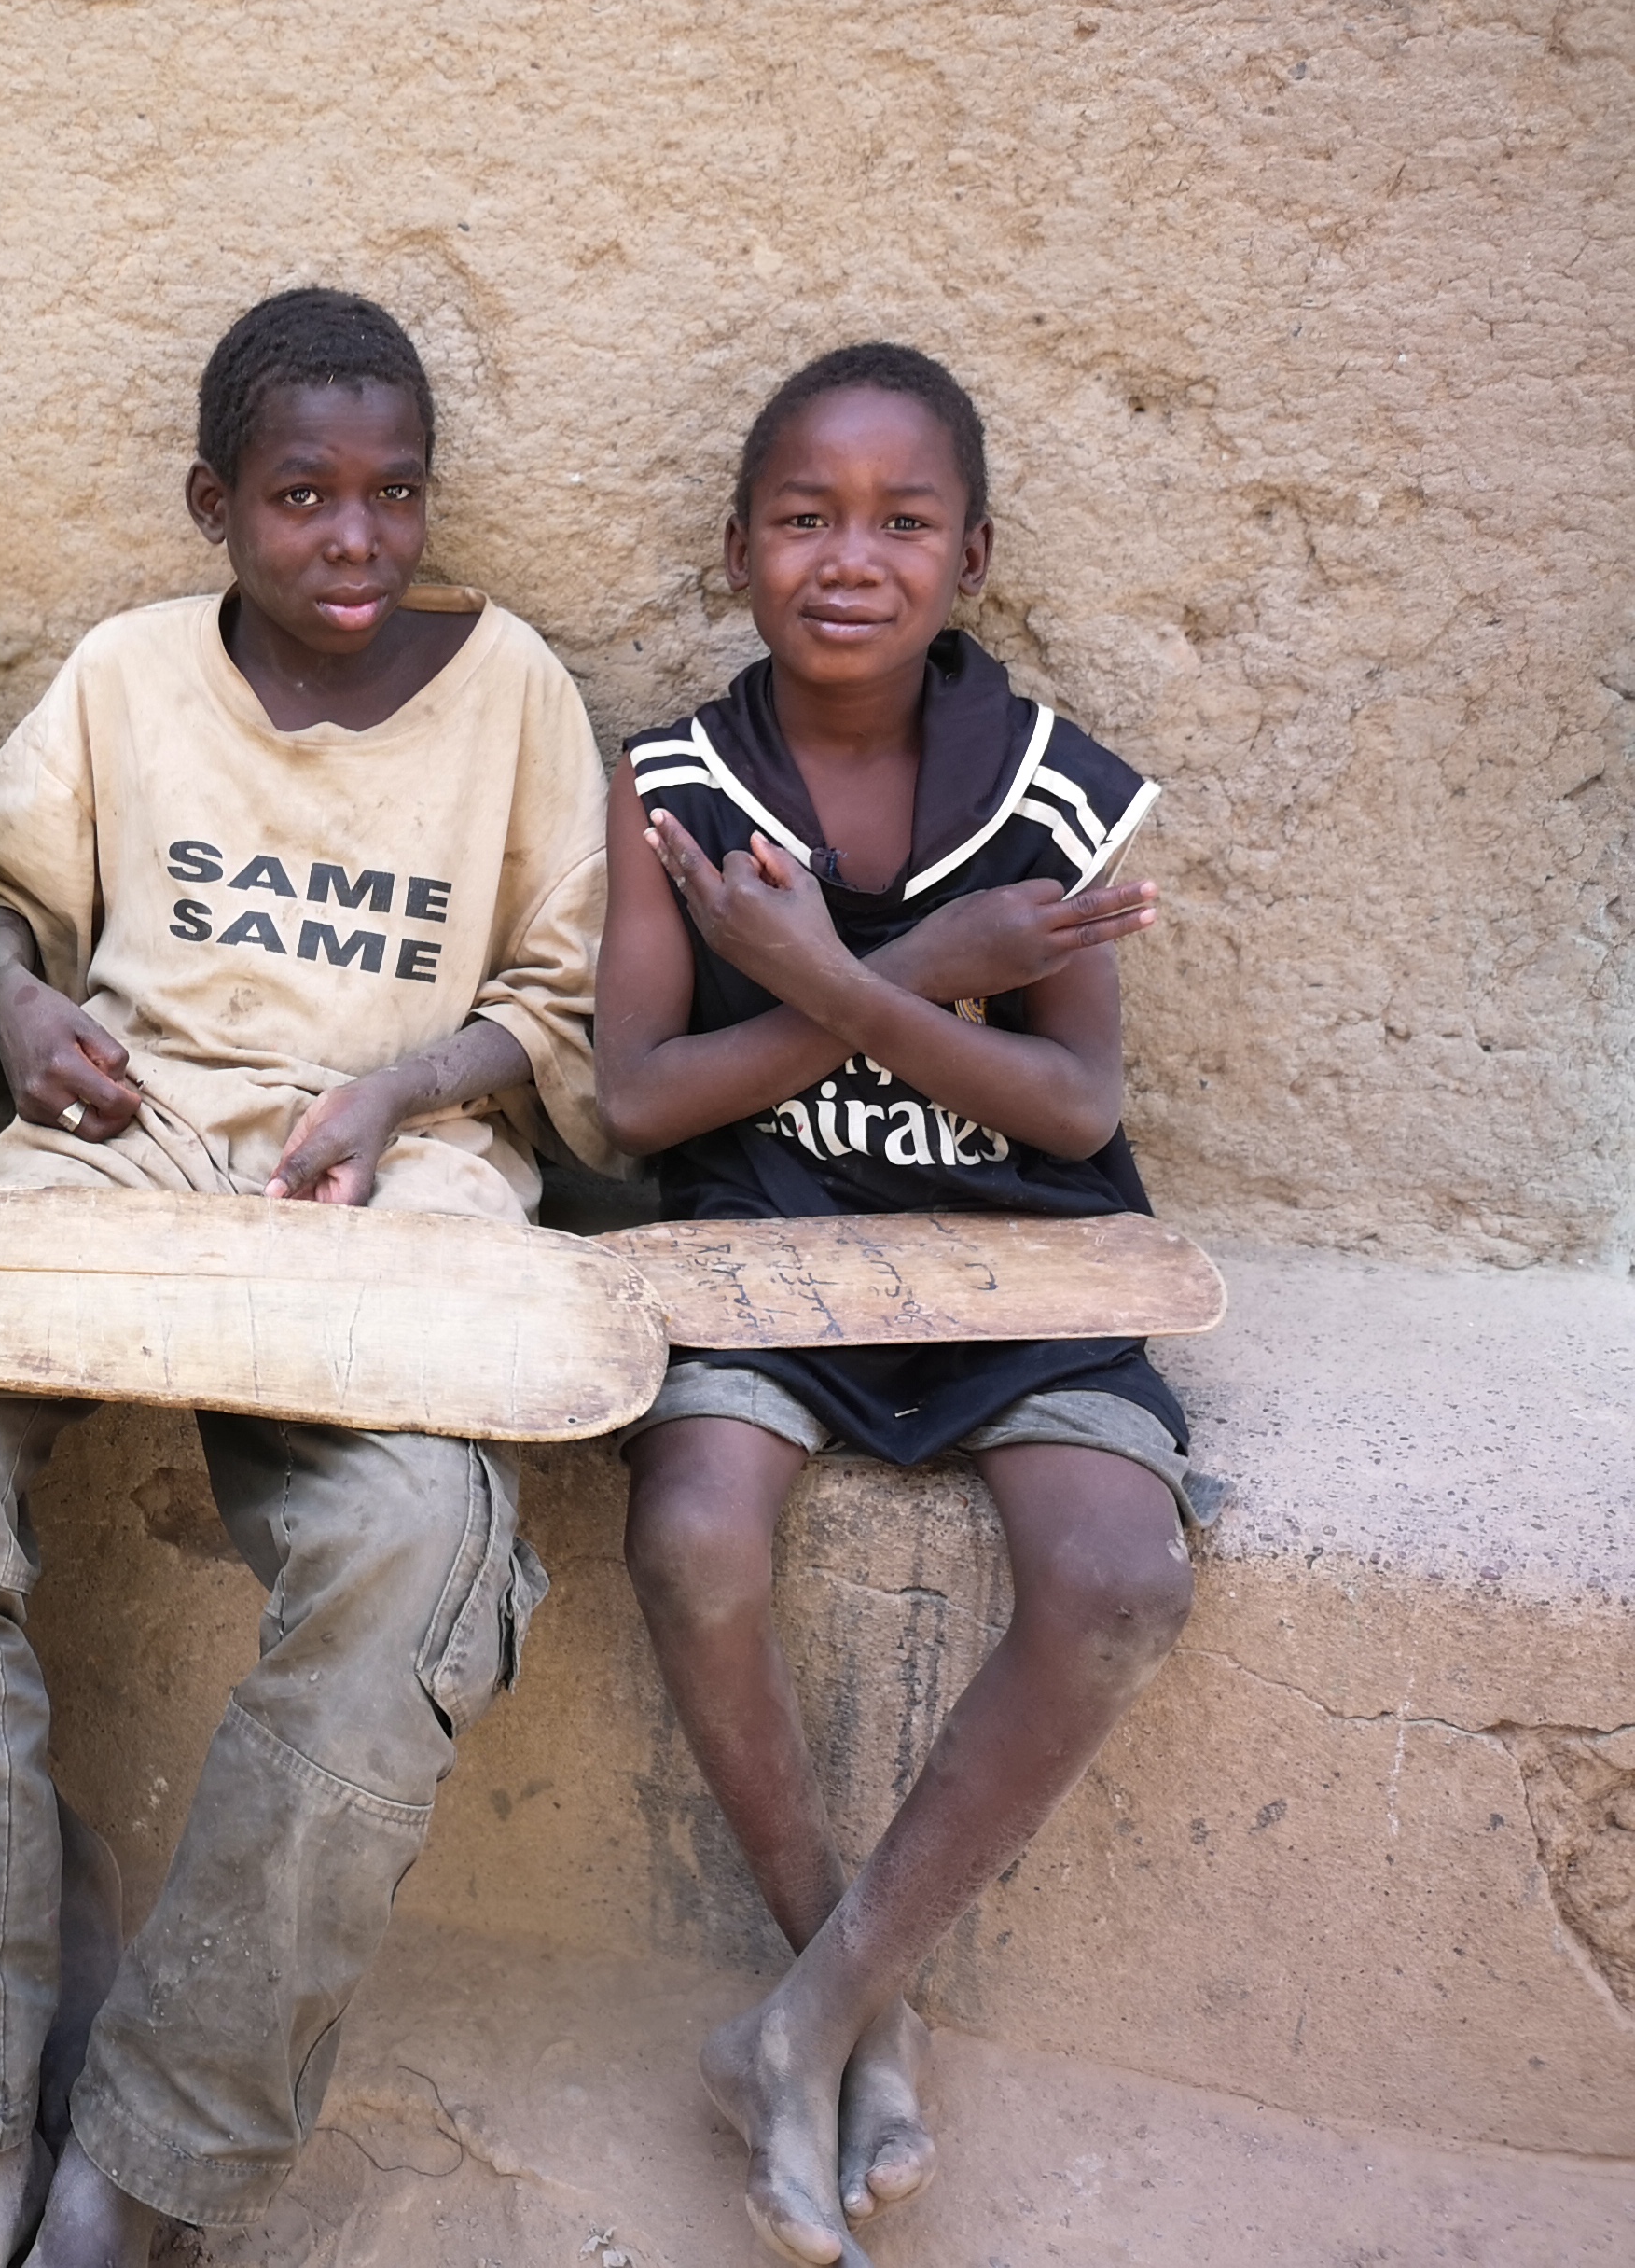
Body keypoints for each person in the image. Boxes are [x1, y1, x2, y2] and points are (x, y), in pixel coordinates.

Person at [0, 288, 612, 2268]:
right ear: (214, 504)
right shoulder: (123, 675)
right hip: (128, 1144)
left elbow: (565, 1001)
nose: (356, 541)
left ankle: (150, 2156)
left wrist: (414, 1079)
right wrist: (28, 1012)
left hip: (391, 1163)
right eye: (301, 498)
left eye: (394, 495)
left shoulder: (513, 691)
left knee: (423, 1534)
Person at [595, 341, 1192, 2266]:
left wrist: (845, 982)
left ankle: (806, 2022)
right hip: (767, 1233)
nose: (849, 559)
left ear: (974, 553)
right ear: (738, 546)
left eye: (901, 521)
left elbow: (1079, 1104)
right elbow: (636, 1097)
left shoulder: (1050, 789)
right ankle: (850, 1999)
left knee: (1119, 1576)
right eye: (802, 517)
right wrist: (935, 966)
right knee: (693, 1535)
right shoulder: (678, 788)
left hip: (1023, 1248)